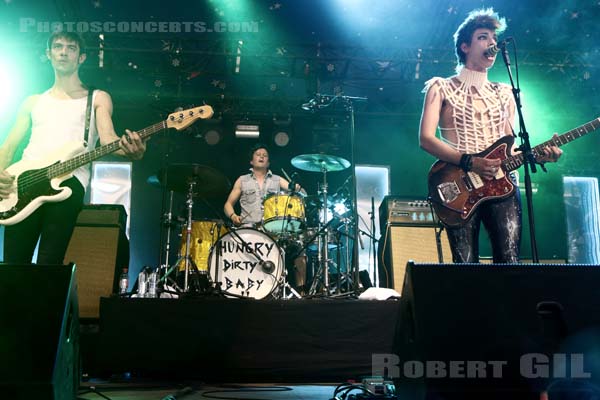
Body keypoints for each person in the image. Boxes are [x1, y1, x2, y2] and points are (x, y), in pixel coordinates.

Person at [418, 8, 562, 263]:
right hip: (459, 182)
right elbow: (426, 139)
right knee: (465, 264)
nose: (492, 43)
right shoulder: (441, 87)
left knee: (509, 261)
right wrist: (470, 162)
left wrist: (539, 156)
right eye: (483, 37)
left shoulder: (505, 92)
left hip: (502, 184)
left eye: (494, 39)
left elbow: (509, 147)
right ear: (465, 46)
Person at [0, 31, 146, 265]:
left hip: (69, 181)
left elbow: (108, 140)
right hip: (23, 182)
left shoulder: (97, 98)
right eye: (58, 46)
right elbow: (7, 148)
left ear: (81, 58)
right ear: (49, 54)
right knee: (12, 265)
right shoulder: (33, 101)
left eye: (71, 48)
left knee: (49, 263)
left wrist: (131, 150)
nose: (64, 52)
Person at [223, 143, 307, 292]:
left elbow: (302, 193)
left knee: (299, 250)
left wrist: (297, 189)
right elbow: (228, 204)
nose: (261, 156)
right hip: (248, 229)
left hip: (272, 230)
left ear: (268, 162)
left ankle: (301, 290)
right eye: (258, 154)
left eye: (265, 155)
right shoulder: (242, 180)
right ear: (251, 161)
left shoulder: (277, 179)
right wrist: (233, 216)